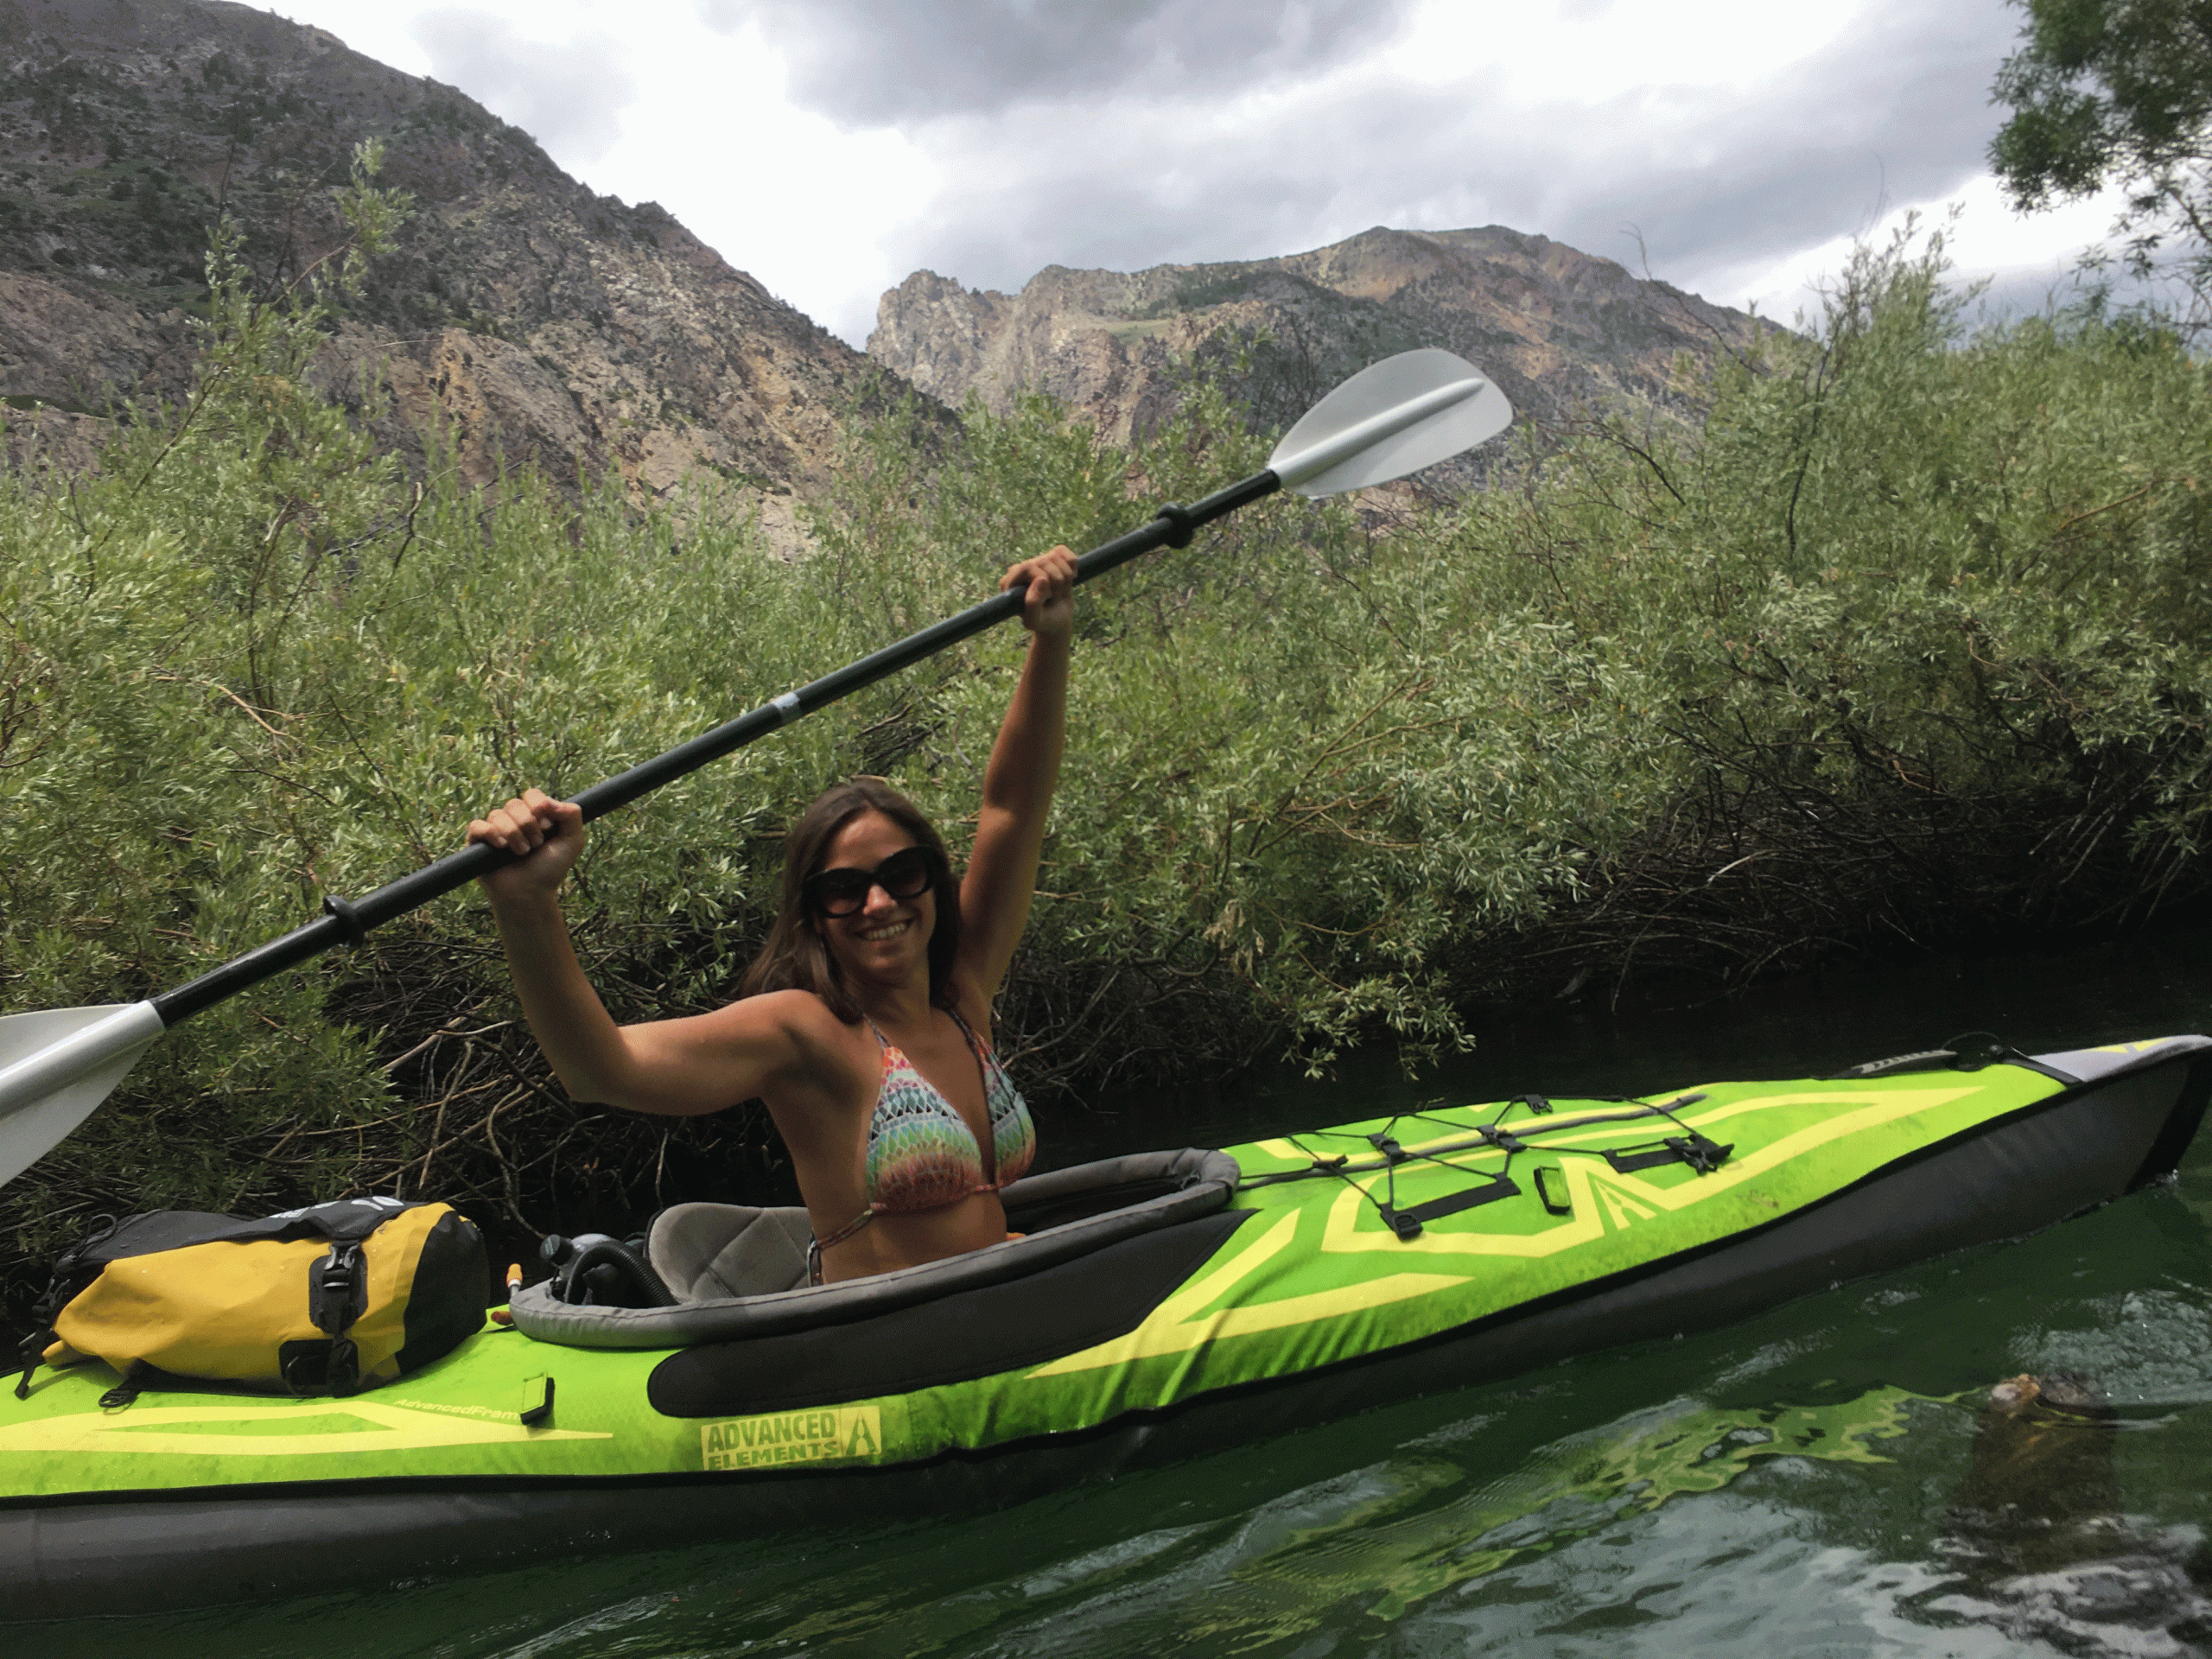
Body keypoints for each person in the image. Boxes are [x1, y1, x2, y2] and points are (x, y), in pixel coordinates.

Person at [465, 545, 1077, 1286]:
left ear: (934, 885)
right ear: (815, 915)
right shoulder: (804, 1031)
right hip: (884, 1345)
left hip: (1005, 1306)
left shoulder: (962, 993)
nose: (880, 903)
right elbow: (602, 1069)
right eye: (844, 889)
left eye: (902, 875)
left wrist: (1049, 640)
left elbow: (1013, 809)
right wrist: (528, 905)